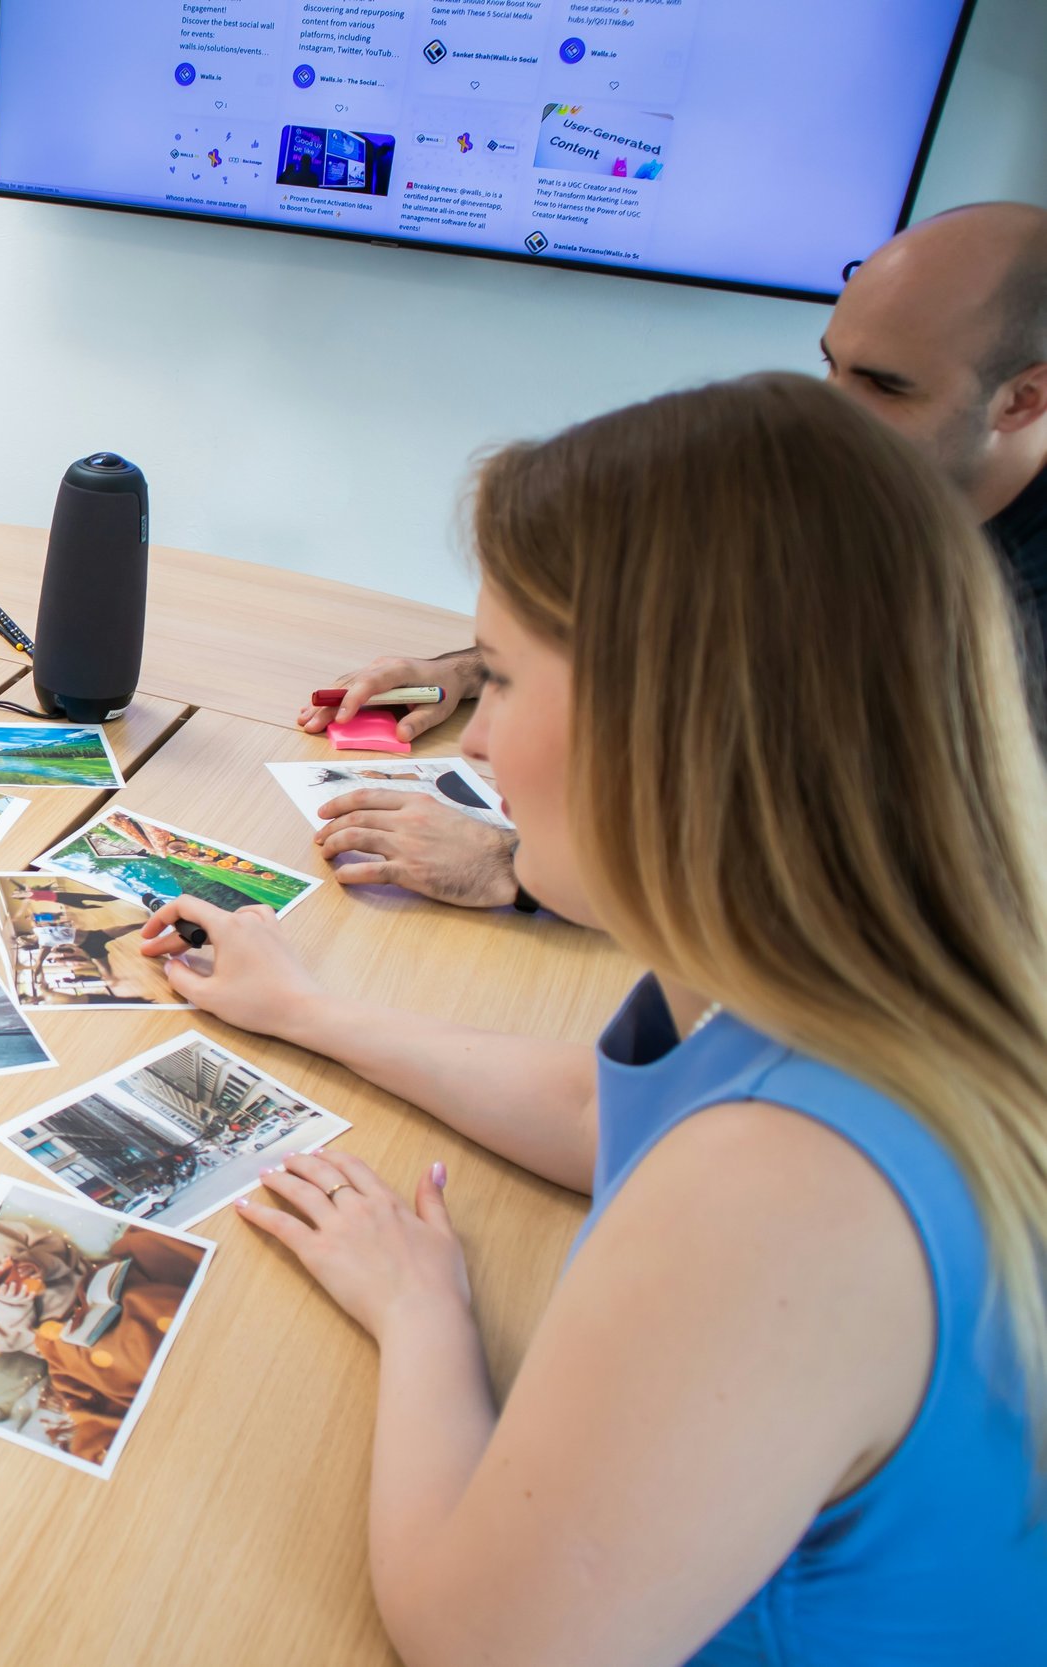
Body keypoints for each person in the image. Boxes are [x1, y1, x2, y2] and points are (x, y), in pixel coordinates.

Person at [144, 374, 1046, 1662]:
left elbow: (479, 1639)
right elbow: (601, 1104)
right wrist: (310, 1009)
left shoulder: (786, 1192)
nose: (479, 738)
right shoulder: (861, 972)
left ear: (679, 721)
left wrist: (425, 1319)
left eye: (500, 679)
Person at [302, 200, 1047, 910]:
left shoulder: (1016, 631)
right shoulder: (852, 478)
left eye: (884, 386)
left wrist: (516, 866)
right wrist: (468, 672)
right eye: (832, 364)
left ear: (1024, 398)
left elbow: (868, 882)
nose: (830, 410)